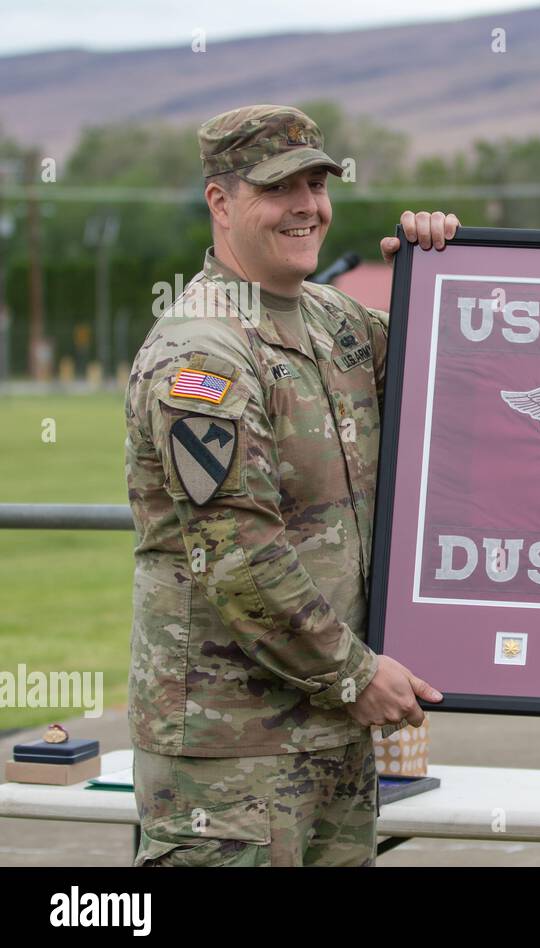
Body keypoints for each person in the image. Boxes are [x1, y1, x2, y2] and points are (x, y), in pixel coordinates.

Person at [124, 104, 459, 866]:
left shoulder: (335, 323)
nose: (307, 206)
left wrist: (438, 269)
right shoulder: (201, 355)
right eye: (280, 188)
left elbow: (459, 368)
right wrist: (355, 673)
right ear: (221, 202)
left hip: (335, 734)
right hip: (232, 758)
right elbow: (238, 557)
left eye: (317, 182)